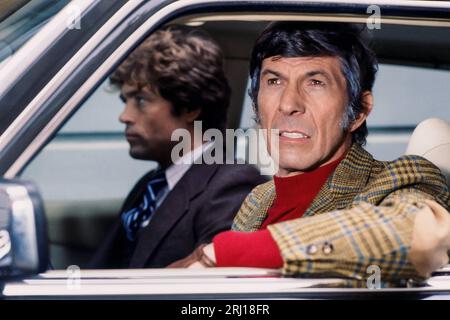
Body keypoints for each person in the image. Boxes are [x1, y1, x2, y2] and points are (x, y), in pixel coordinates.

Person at [169, 22, 450, 286]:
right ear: (256, 106)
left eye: (315, 82)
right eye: (274, 81)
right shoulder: (258, 200)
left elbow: (416, 233)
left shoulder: (401, 180)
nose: (289, 104)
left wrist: (224, 252)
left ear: (359, 111)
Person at [90, 25, 266, 268]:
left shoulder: (231, 187)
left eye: (141, 101)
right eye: (125, 100)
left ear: (190, 107)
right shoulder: (148, 186)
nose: (125, 116)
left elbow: (212, 290)